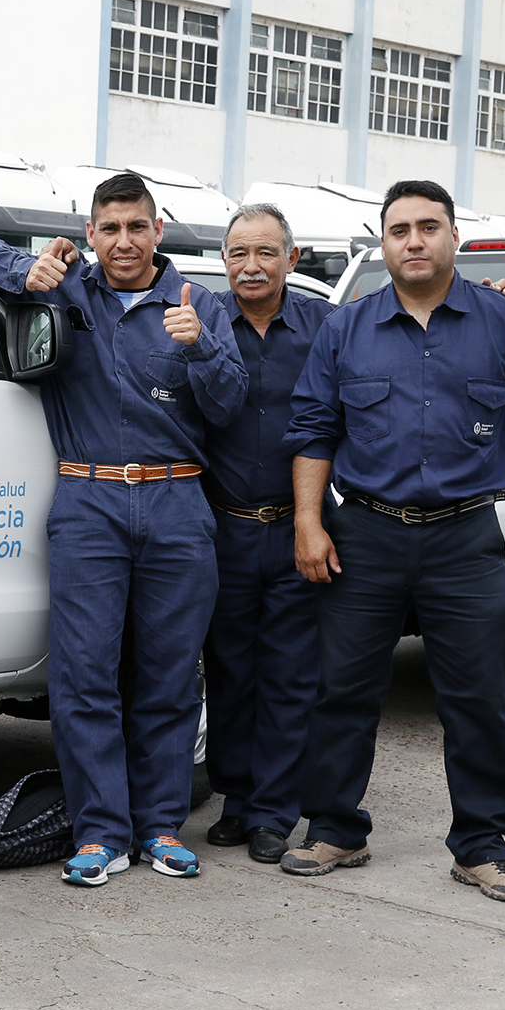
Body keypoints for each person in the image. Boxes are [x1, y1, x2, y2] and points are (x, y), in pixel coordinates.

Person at [282, 178, 505, 902]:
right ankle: (336, 828)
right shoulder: (346, 328)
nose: (415, 240)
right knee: (341, 687)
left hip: (465, 536)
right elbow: (315, 431)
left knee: (477, 694)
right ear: (383, 243)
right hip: (365, 533)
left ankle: (482, 843)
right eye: (400, 229)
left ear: (453, 237)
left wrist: (476, 469)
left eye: (429, 227)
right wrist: (310, 522)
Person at [0, 172, 246, 887]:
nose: (124, 241)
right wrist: (27, 267)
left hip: (177, 503)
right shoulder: (66, 289)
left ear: (158, 232)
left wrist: (201, 346)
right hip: (88, 502)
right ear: (91, 234)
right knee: (84, 675)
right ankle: (100, 834)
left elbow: (232, 404)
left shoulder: (198, 303)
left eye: (137, 227)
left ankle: (160, 827)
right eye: (109, 228)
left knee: (171, 677)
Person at [199, 205, 337, 866]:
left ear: (292, 256)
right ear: (224, 260)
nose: (250, 267)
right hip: (222, 526)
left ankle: (275, 812)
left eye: (265, 253)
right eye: (237, 254)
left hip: (297, 529)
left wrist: (495, 297)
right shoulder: (201, 324)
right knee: (229, 671)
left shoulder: (326, 326)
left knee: (287, 674)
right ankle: (236, 798)